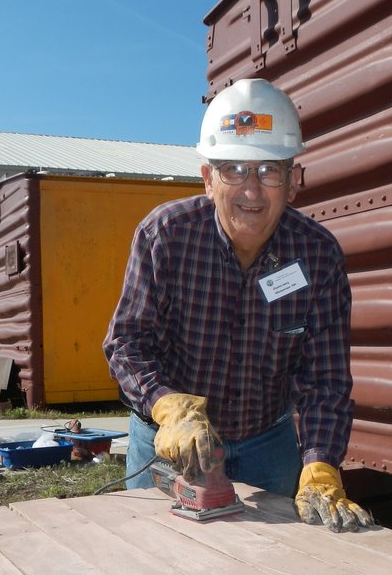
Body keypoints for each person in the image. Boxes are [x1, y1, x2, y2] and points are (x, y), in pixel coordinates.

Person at [103, 78, 371, 532]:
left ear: (292, 183)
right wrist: (168, 408)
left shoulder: (318, 255)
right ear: (208, 179)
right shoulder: (165, 236)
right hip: (169, 444)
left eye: (269, 171)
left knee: (278, 571)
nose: (252, 191)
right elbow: (128, 343)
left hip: (269, 445)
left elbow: (324, 379)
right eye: (234, 170)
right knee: (157, 561)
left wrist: (321, 463)